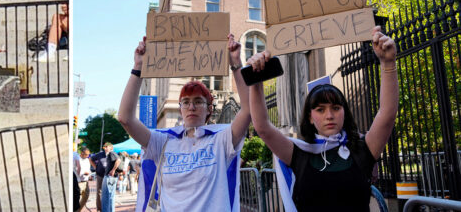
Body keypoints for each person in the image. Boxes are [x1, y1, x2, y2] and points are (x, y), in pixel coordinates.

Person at [248, 26, 397, 212]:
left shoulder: (363, 150)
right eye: (320, 109)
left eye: (336, 107)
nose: (329, 115)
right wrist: (255, 80)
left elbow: (387, 114)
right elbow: (262, 127)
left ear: (345, 112)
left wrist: (388, 63)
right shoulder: (299, 154)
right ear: (310, 118)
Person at [119, 34, 250, 211]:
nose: (191, 107)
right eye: (186, 102)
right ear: (180, 108)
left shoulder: (222, 140)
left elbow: (249, 110)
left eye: (198, 102)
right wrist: (138, 68)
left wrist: (235, 64)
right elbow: (125, 118)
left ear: (209, 109)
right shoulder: (162, 141)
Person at [89, 143, 120, 212]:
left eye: (107, 146)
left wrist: (113, 170)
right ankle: (100, 209)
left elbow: (118, 161)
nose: (105, 148)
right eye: (104, 147)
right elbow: (90, 159)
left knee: (108, 192)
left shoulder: (112, 154)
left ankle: (107, 208)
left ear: (111, 148)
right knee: (99, 192)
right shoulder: (100, 154)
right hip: (100, 174)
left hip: (109, 176)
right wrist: (95, 167)